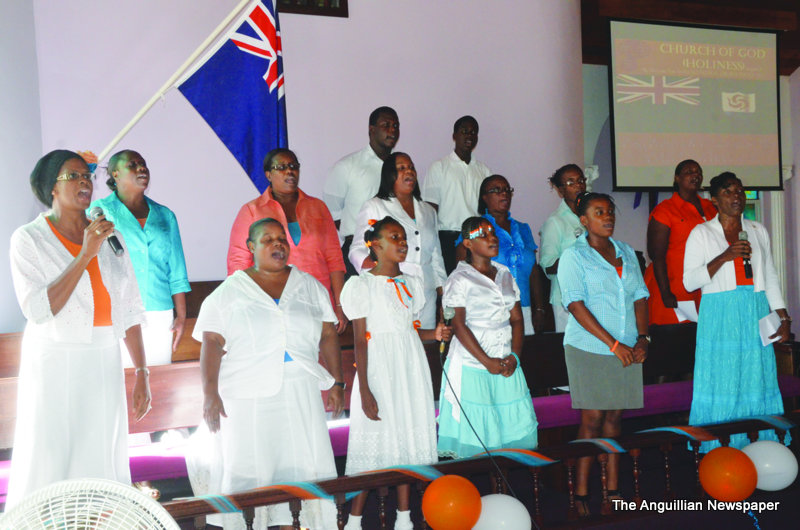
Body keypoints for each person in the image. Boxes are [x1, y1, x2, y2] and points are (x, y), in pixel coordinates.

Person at [7, 150, 150, 508]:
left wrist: (142, 372)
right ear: (51, 188)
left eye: (87, 175)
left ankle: (98, 522)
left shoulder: (109, 236)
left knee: (101, 452)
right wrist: (85, 253)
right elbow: (39, 309)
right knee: (52, 455)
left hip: (103, 357)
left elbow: (129, 307)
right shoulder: (29, 239)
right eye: (73, 176)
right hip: (55, 359)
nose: (85, 181)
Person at [199, 218, 345, 530]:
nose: (278, 244)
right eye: (268, 239)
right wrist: (210, 393)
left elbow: (328, 334)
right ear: (251, 247)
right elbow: (211, 342)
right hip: (247, 396)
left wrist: (338, 382)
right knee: (252, 473)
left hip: (300, 390)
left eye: (282, 238)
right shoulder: (231, 291)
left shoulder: (309, 285)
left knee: (302, 470)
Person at [341, 216, 450, 530]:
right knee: (372, 442)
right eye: (394, 237)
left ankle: (404, 518)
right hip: (378, 369)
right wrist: (364, 389)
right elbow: (360, 339)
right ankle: (354, 521)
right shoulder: (361, 285)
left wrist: (435, 334)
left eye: (404, 237)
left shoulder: (412, 283)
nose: (402, 243)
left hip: (409, 369)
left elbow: (410, 330)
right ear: (375, 245)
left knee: (406, 438)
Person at [684, 172, 792, 452]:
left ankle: (761, 442)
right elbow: (689, 282)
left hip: (755, 309)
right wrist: (725, 256)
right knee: (723, 378)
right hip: (720, 313)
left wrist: (783, 317)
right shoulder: (701, 233)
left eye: (740, 191)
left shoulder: (757, 230)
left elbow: (770, 276)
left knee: (757, 376)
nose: (737, 197)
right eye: (728, 191)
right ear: (714, 199)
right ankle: (720, 447)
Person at [557, 192, 649, 516]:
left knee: (614, 418)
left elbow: (640, 296)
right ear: (584, 221)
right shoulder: (574, 256)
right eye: (599, 212)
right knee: (593, 418)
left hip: (628, 346)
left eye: (610, 211)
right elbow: (575, 304)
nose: (608, 217)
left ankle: (612, 491)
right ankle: (581, 493)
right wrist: (613, 344)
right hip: (590, 347)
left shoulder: (626, 251)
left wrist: (643, 338)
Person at [437, 216, 538, 460]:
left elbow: (517, 319)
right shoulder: (459, 279)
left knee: (507, 436)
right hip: (474, 365)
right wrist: (487, 362)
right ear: (468, 244)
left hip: (505, 362)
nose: (492, 238)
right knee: (480, 442)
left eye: (493, 233)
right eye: (483, 235)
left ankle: (503, 481)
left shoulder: (504, 273)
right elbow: (458, 325)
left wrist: (514, 357)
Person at [227, 148, 348, 333]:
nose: (289, 171)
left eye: (293, 166)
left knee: (320, 352)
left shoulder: (318, 207)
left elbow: (335, 260)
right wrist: (243, 306)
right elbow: (238, 264)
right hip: (271, 305)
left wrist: (339, 305)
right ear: (268, 174)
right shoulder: (252, 211)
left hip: (318, 302)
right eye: (281, 167)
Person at [91, 150, 191, 366]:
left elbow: (176, 270)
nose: (141, 168)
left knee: (159, 378)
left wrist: (181, 316)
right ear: (115, 174)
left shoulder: (165, 215)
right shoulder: (99, 211)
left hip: (159, 310)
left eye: (143, 163)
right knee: (124, 378)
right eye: (132, 165)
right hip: (117, 311)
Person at [348, 153, 447, 328]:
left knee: (426, 342)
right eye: (401, 168)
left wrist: (443, 294)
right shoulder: (375, 206)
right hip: (390, 293)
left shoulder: (428, 211)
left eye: (411, 168)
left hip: (426, 294)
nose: (409, 171)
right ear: (389, 175)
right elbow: (357, 251)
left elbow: (436, 257)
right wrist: (380, 273)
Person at [457, 175, 547, 335]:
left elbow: (533, 271)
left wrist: (539, 308)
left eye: (506, 190)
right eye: (496, 190)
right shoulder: (475, 230)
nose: (504, 193)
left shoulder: (523, 228)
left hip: (524, 308)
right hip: (489, 311)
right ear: (484, 197)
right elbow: (463, 271)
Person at [324, 106, 400, 276]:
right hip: (357, 253)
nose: (392, 130)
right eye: (386, 125)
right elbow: (332, 212)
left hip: (393, 253)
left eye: (395, 126)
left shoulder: (401, 168)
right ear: (371, 129)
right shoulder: (347, 166)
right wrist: (360, 235)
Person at [644, 160, 716, 325]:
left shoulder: (711, 207)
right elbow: (656, 256)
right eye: (689, 172)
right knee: (675, 337)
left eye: (698, 172)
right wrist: (666, 293)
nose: (695, 175)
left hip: (706, 288)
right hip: (673, 289)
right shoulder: (665, 210)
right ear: (677, 178)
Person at [421, 115, 492, 274]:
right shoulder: (439, 167)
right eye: (464, 131)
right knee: (452, 284)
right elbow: (430, 211)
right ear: (454, 135)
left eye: (473, 132)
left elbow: (489, 210)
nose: (469, 136)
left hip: (477, 239)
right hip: (448, 239)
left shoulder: (484, 171)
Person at [539, 164, 586, 332]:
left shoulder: (592, 216)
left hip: (594, 295)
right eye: (571, 182)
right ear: (561, 191)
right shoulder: (555, 221)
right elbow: (547, 265)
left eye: (581, 180)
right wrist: (576, 256)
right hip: (566, 299)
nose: (578, 185)